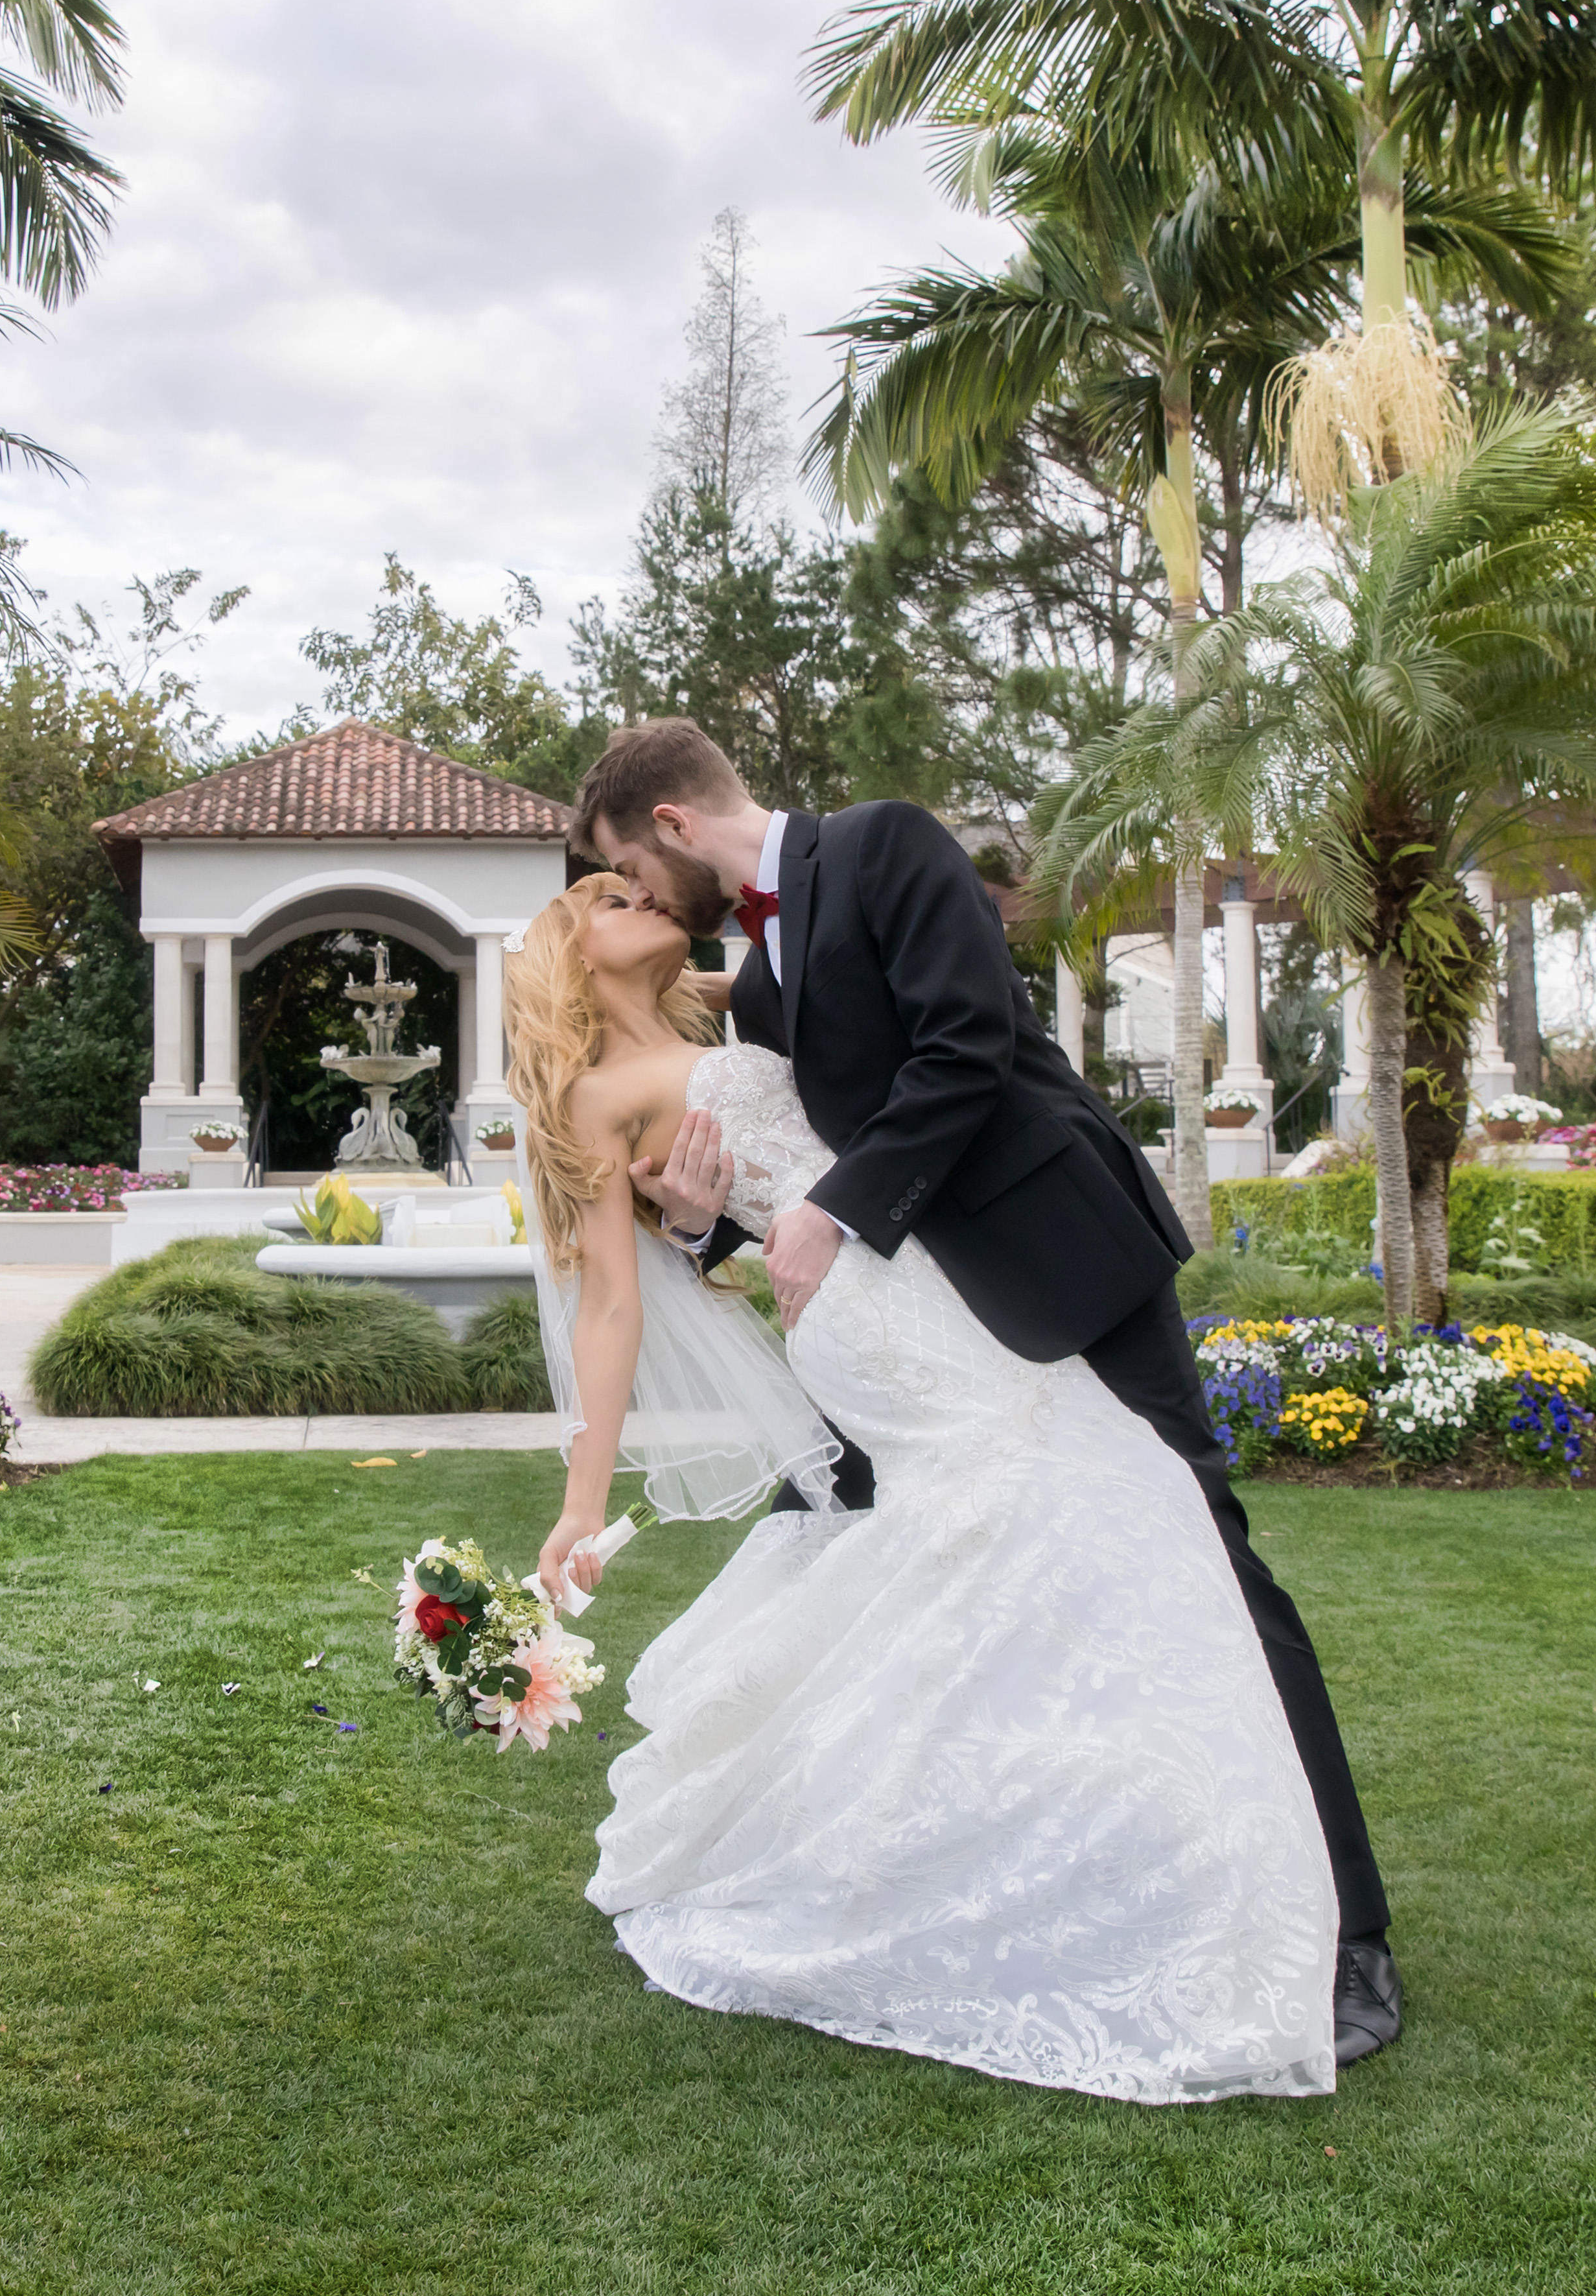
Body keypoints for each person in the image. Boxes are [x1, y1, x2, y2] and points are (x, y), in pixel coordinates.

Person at [565, 715, 1405, 2068]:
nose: (646, 905)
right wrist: (699, 1223)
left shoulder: (884, 843)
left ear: (668, 825)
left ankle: (1346, 1931)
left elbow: (962, 1048)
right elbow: (795, 1175)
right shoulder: (761, 985)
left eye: (631, 873)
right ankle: (1093, 1862)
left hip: (1062, 1251)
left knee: (1208, 1545)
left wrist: (829, 1211)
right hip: (928, 1322)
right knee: (989, 1569)